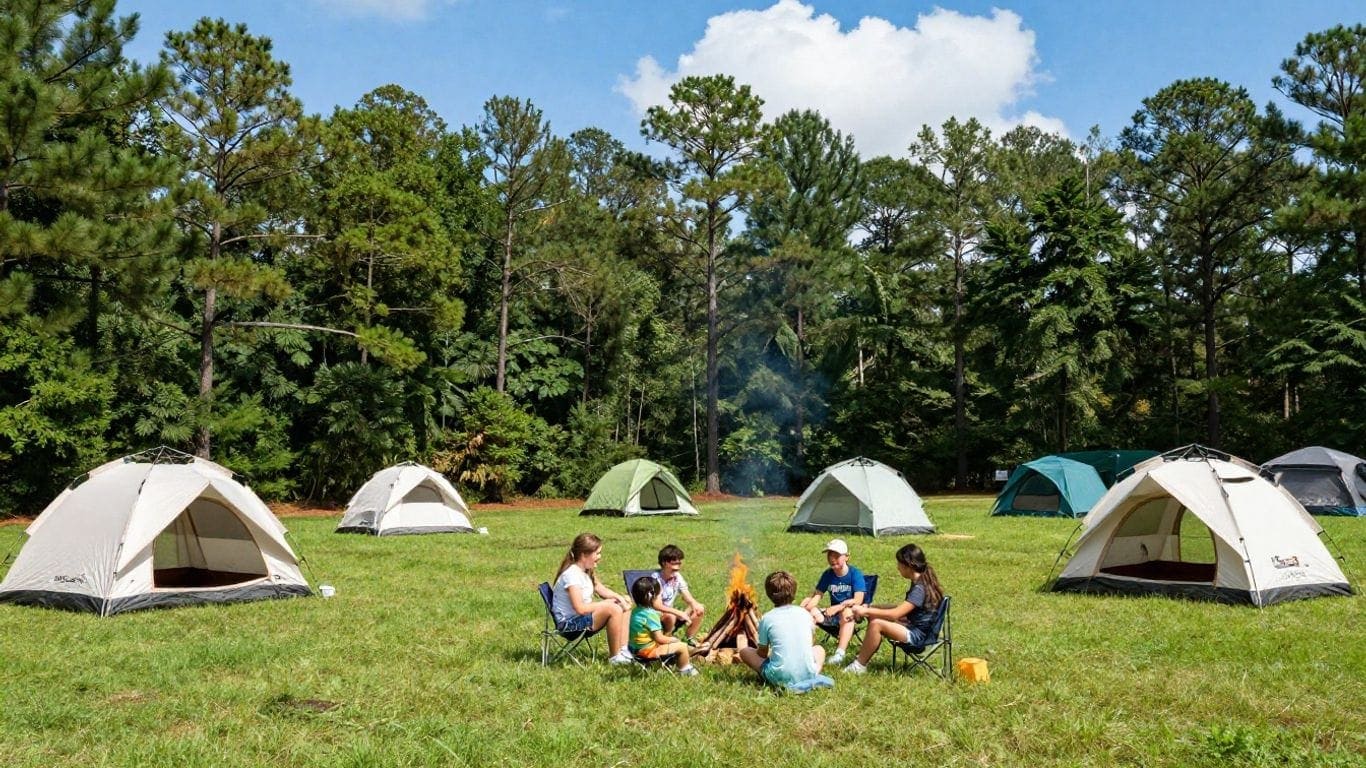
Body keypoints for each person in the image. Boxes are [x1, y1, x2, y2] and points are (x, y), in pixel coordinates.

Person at [844, 543, 944, 674]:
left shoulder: (920, 589)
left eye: (899, 564)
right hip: (915, 628)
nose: (897, 567)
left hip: (918, 637)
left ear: (908, 565)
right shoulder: (922, 581)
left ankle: (859, 666)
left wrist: (865, 611)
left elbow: (894, 614)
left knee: (877, 624)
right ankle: (863, 656)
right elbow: (902, 607)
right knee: (875, 616)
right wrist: (870, 608)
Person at [739, 571, 831, 692]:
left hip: (779, 677)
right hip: (807, 671)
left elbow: (762, 653)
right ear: (794, 592)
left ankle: (777, 680)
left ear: (769, 594)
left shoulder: (767, 618)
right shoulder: (804, 613)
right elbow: (810, 645)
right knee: (819, 649)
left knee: (745, 652)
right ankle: (812, 675)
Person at [551, 532, 633, 665]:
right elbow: (580, 608)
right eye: (597, 553)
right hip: (569, 625)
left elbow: (601, 589)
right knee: (612, 608)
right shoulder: (571, 575)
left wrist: (620, 598)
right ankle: (615, 657)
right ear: (584, 554)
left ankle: (623, 650)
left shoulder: (585, 571)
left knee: (624, 603)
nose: (599, 557)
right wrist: (606, 603)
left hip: (581, 619)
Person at [797, 538, 866, 666]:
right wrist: (806, 606)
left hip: (852, 614)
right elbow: (817, 596)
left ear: (846, 557)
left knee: (847, 611)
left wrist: (839, 607)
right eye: (829, 555)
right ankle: (804, 650)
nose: (832, 559)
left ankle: (839, 653)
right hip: (832, 615)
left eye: (836, 555)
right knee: (808, 606)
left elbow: (858, 600)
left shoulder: (855, 574)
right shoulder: (828, 574)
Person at [628, 576, 699, 676]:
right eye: (659, 595)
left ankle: (672, 661)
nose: (661, 598)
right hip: (646, 652)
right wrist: (674, 640)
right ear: (652, 597)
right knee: (682, 646)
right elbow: (659, 638)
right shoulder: (651, 615)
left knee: (672, 644)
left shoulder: (635, 611)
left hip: (634, 650)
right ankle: (685, 670)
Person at [650, 544, 707, 645]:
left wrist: (694, 605)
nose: (677, 568)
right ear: (664, 563)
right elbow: (657, 606)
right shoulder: (655, 579)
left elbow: (687, 596)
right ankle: (666, 640)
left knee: (699, 608)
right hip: (656, 615)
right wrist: (678, 613)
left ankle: (689, 638)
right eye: (674, 564)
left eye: (679, 564)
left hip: (671, 613)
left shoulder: (677, 576)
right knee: (671, 616)